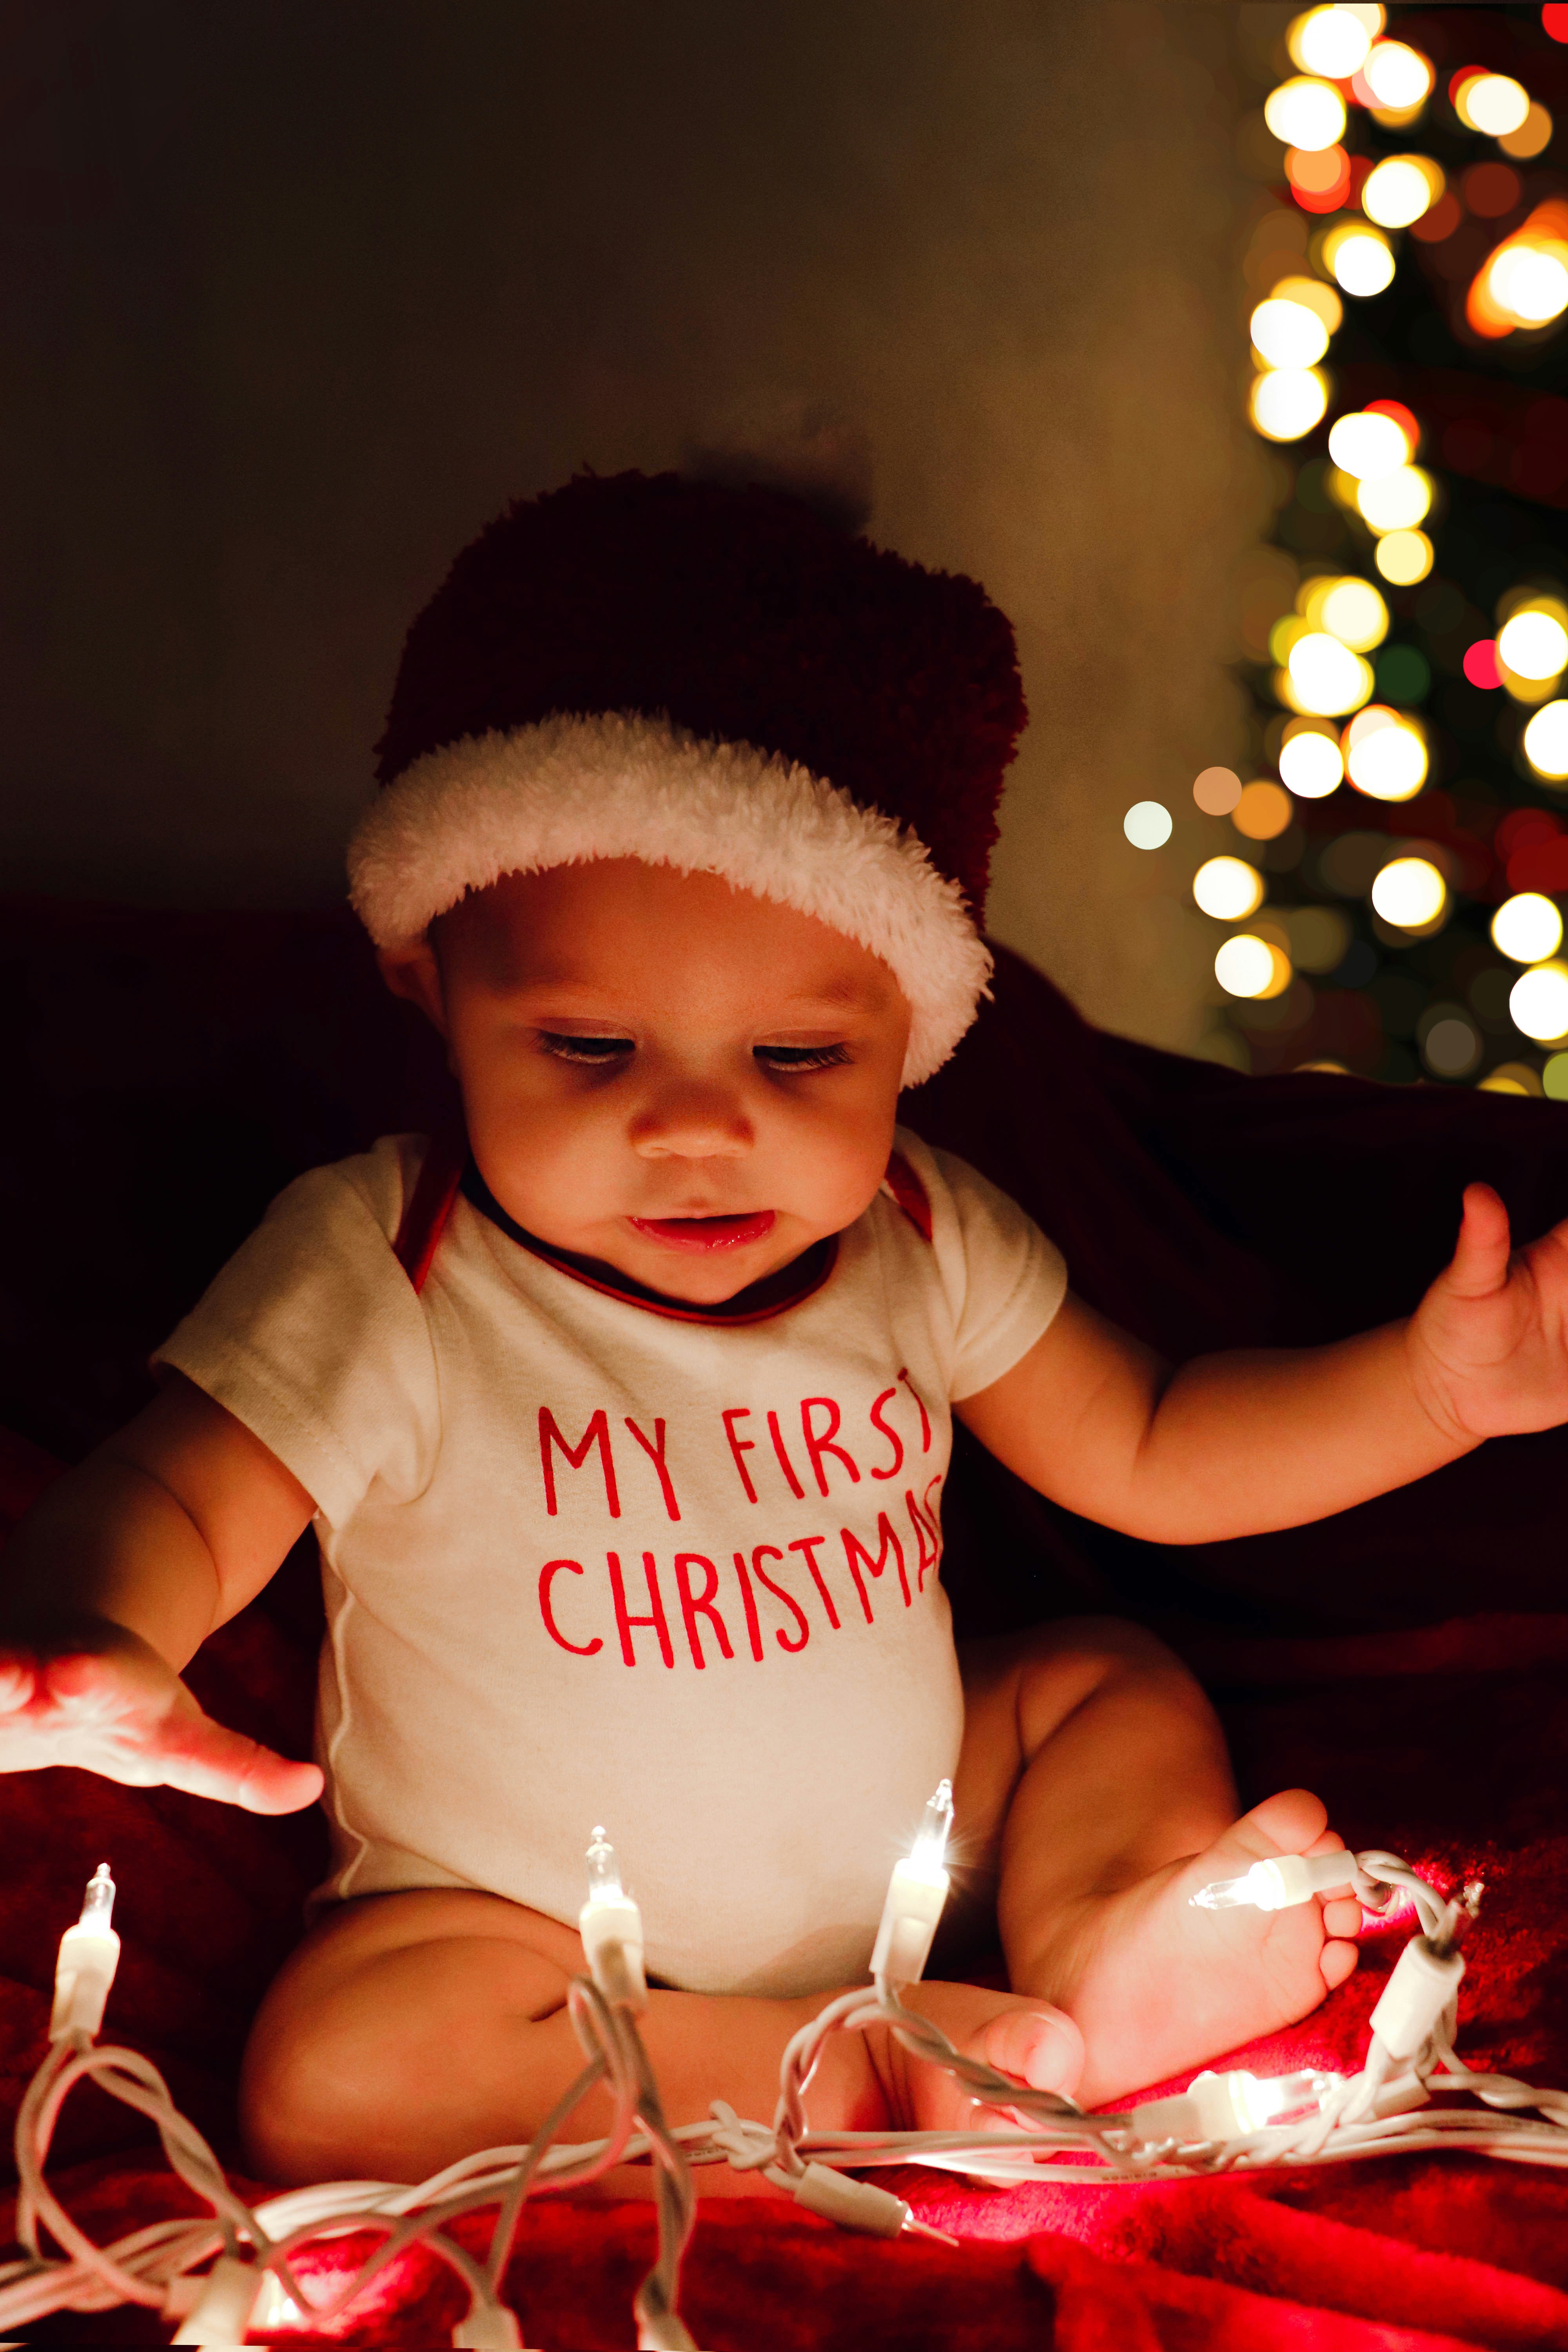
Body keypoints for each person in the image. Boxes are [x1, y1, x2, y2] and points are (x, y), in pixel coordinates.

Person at [4, 471, 1567, 2196]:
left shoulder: (917, 1228)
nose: (697, 1130)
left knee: (1096, 1679)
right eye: (589, 1051)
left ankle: (1101, 1943)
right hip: (525, 1932)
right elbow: (184, 1498)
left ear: (919, 1022)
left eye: (800, 1060)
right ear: (428, 986)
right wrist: (92, 1632)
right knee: (337, 2067)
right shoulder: (387, 1261)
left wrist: (1434, 1391)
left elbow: (1160, 1444)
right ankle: (874, 2078)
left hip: (919, 1843)